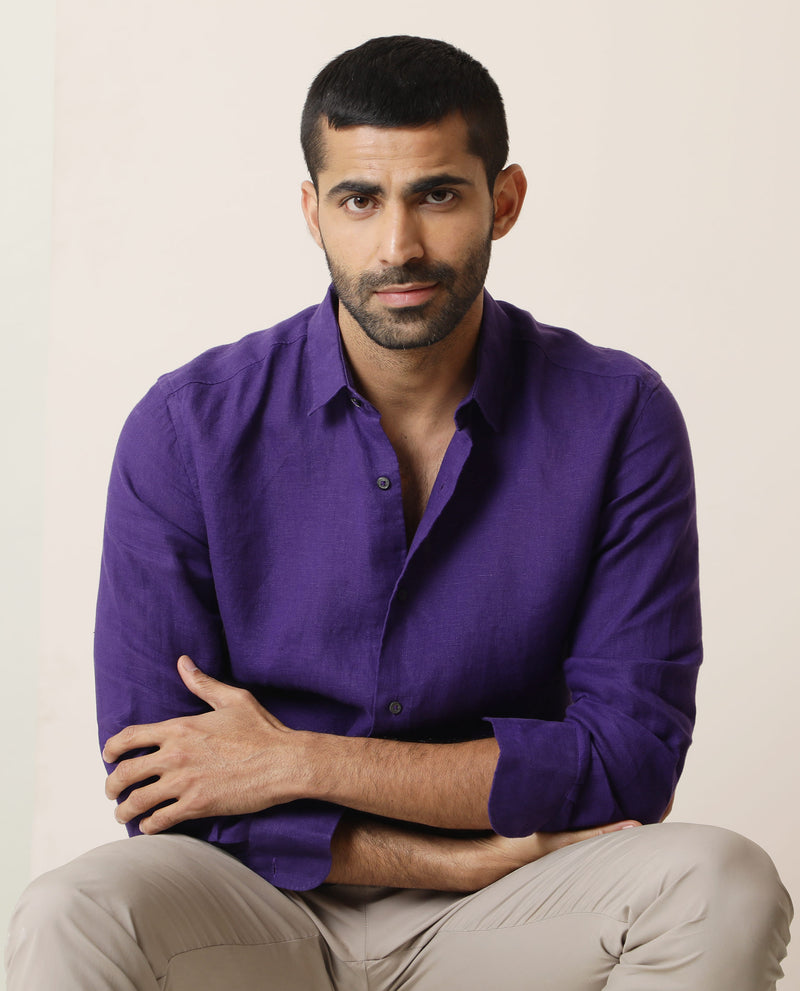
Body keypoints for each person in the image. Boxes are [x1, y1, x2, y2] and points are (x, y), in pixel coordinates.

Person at [6, 34, 792, 990]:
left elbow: (628, 759)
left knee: (722, 883)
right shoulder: (186, 428)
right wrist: (450, 858)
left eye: (439, 195)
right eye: (359, 200)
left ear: (505, 200)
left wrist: (297, 761)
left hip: (521, 906)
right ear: (312, 211)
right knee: (71, 911)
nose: (399, 247)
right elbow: (158, 783)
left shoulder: (618, 415)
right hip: (261, 900)